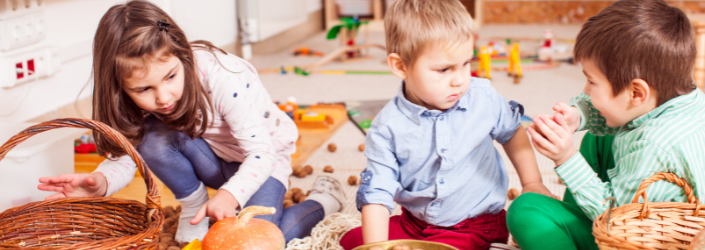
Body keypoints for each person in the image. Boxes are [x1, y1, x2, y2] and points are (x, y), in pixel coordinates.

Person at [37, 0, 346, 243]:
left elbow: (262, 153)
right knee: (151, 138)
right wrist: (101, 183)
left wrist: (229, 195)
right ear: (120, 88)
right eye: (144, 89)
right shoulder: (137, 95)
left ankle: (323, 200)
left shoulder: (223, 76)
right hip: (212, 159)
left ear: (182, 53)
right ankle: (192, 205)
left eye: (171, 76)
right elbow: (127, 156)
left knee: (264, 238)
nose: (163, 97)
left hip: (262, 161)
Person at [507, 1, 705, 249]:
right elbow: (620, 111)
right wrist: (578, 114)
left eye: (592, 82)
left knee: (524, 209)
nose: (585, 90)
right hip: (660, 219)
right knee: (600, 135)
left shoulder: (654, 143)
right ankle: (570, 220)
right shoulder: (689, 99)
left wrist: (565, 158)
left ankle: (567, 232)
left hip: (644, 235)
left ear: (637, 92)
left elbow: (615, 217)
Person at [339, 1, 555, 249]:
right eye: (444, 69)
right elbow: (377, 192)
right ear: (400, 66)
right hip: (416, 224)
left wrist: (532, 183)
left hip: (476, 225)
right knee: (354, 241)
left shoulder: (482, 98)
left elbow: (512, 131)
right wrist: (377, 246)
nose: (461, 80)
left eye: (466, 63)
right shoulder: (386, 127)